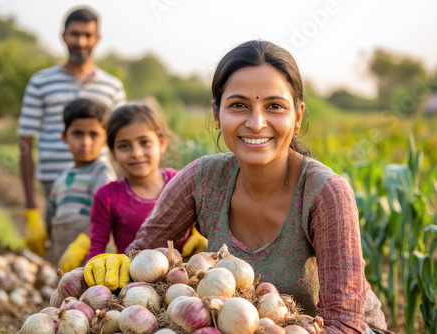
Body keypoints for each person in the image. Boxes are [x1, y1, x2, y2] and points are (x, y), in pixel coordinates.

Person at [84, 40, 388, 333]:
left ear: (298, 116)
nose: (256, 123)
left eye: (275, 106)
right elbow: (142, 257)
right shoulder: (201, 179)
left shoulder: (325, 193)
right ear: (217, 115)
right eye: (239, 105)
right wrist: (121, 263)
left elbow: (344, 326)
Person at [17, 7, 126, 257]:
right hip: (53, 180)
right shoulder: (41, 82)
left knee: (95, 244)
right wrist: (31, 210)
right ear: (63, 36)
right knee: (57, 248)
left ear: (97, 39)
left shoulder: (112, 86)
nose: (81, 41)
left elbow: (121, 140)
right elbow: (25, 141)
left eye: (88, 35)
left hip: (98, 183)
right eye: (74, 34)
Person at [84, 103, 206, 289]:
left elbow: (204, 220)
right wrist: (92, 275)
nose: (136, 153)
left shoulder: (181, 181)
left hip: (183, 283)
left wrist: (200, 235)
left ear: (162, 143)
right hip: (132, 284)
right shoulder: (107, 195)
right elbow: (97, 247)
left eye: (144, 142)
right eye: (124, 146)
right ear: (113, 153)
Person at [45, 98, 116, 270]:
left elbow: (106, 216)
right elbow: (51, 211)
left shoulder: (101, 172)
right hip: (61, 251)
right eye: (78, 134)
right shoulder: (62, 174)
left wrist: (83, 243)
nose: (85, 142)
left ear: (105, 138)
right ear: (64, 137)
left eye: (93, 134)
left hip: (92, 254)